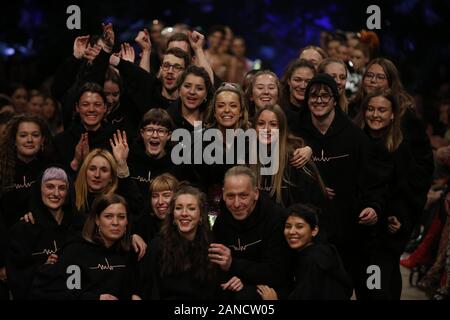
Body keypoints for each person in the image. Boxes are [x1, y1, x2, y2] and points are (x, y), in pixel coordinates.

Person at [293, 73, 385, 299]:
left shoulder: (355, 136)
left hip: (348, 230)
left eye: (325, 95)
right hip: (310, 233)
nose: (319, 100)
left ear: (335, 99)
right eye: (313, 95)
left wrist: (374, 206)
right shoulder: (296, 134)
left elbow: (372, 181)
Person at [355, 89, 417, 299]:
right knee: (365, 289)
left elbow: (406, 188)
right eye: (371, 109)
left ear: (392, 114)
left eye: (382, 110)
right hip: (359, 228)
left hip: (385, 234)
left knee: (378, 289)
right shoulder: (356, 142)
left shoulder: (401, 146)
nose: (375, 115)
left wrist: (399, 216)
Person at [31, 194, 137, 300]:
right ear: (97, 220)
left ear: (127, 221)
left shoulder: (128, 252)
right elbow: (60, 293)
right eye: (108, 216)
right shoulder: (76, 252)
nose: (115, 222)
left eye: (121, 217)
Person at [211, 166, 290, 300]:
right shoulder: (222, 221)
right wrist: (233, 277)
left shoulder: (275, 218)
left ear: (255, 193)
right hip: (236, 279)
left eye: (243, 195)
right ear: (223, 194)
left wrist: (234, 266)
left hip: (271, 286)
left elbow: (277, 272)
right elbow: (217, 266)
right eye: (230, 196)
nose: (236, 204)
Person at [135, 185, 219, 299]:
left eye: (191, 208)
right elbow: (142, 290)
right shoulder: (158, 245)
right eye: (178, 208)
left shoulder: (211, 247)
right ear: (173, 216)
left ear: (201, 216)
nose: (184, 213)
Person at [7, 166, 77, 299]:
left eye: (62, 188)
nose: (56, 193)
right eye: (50, 186)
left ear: (68, 193)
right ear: (40, 189)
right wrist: (42, 268)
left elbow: (83, 271)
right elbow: (15, 277)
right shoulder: (23, 229)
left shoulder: (78, 227)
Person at [257, 204, 352, 300]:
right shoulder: (324, 250)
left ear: (314, 230)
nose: (292, 231)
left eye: (299, 226)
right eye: (288, 226)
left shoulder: (313, 260)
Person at [252, 104, 326, 207]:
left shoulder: (295, 158)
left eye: (273, 124)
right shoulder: (247, 157)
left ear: (281, 128)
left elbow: (311, 203)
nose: (266, 129)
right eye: (261, 123)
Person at [0, 114, 53, 228]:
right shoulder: (2, 168)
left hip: (43, 230)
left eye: (35, 135)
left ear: (42, 139)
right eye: (23, 135)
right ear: (14, 140)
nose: (29, 140)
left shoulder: (51, 169)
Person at [53, 82, 115, 171]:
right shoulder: (61, 141)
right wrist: (76, 162)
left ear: (105, 108)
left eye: (97, 105)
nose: (91, 109)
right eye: (85, 104)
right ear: (77, 107)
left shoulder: (115, 141)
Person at [133, 173, 179, 244]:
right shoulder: (144, 225)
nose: (160, 202)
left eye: (166, 195)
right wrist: (132, 237)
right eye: (155, 196)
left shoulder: (183, 226)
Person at [167, 65, 214, 131]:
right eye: (187, 86)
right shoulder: (167, 120)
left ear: (206, 94)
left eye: (199, 88)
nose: (192, 92)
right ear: (179, 90)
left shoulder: (213, 120)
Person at [279, 59, 316, 131]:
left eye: (308, 81)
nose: (302, 86)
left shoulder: (319, 113)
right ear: (289, 81)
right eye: (297, 80)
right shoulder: (277, 112)